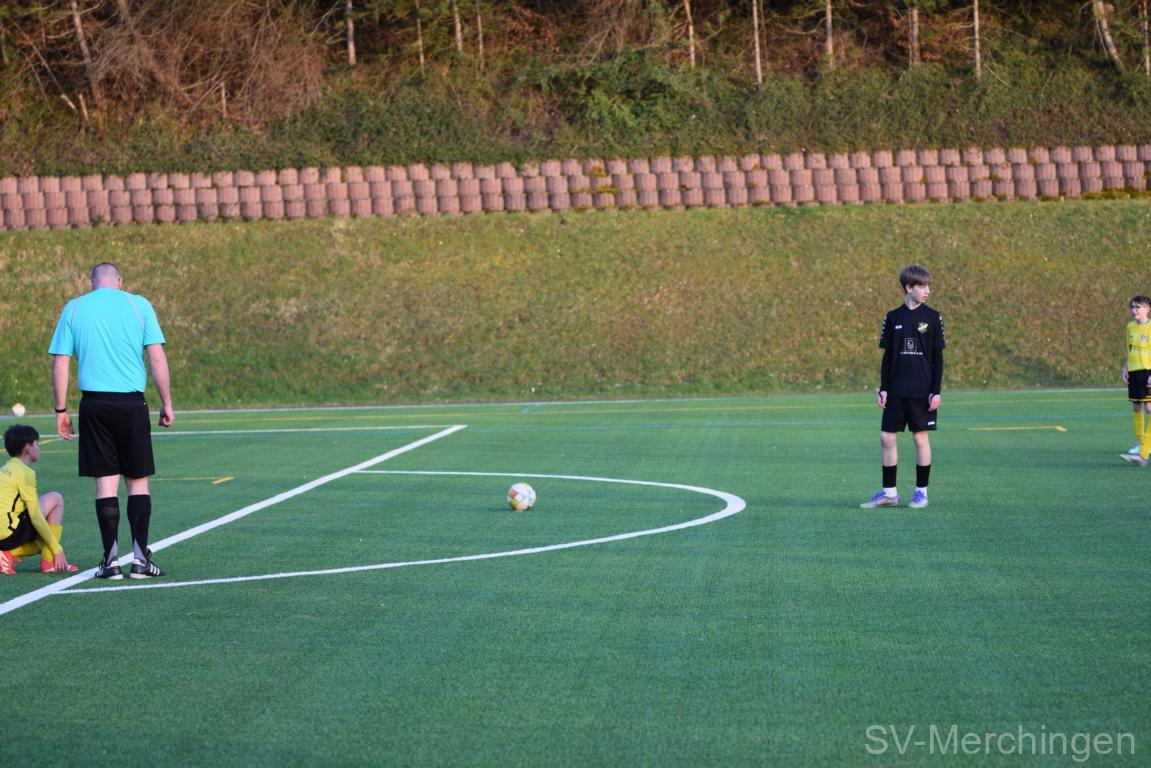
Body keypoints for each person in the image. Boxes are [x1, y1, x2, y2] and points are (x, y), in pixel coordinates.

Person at [49, 262, 174, 580]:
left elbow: (61, 362)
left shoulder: (74, 308)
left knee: (106, 483)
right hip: (131, 404)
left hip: (94, 405)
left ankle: (111, 562)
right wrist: (167, 403)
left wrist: (61, 410)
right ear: (119, 281)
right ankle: (141, 561)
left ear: (92, 283)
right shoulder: (139, 304)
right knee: (138, 482)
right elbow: (156, 356)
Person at [860, 264, 945, 510]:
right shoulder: (893, 317)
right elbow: (888, 357)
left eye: (928, 286)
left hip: (922, 390)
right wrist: (884, 388)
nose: (927, 291)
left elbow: (938, 358)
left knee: (920, 438)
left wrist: (936, 391)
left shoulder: (933, 317)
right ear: (908, 287)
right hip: (896, 389)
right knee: (886, 437)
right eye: (922, 286)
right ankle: (890, 494)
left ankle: (921, 493)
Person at [0, 424, 77, 575]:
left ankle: (9, 554)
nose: (39, 448)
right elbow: (36, 517)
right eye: (37, 444)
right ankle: (48, 561)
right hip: (7, 536)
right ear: (28, 448)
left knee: (46, 535)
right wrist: (58, 549)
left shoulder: (4, 469)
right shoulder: (25, 472)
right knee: (56, 499)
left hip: (5, 531)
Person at [1120, 295, 1151, 467]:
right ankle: (1141, 443)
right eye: (1132, 307)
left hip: (1148, 371)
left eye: (1138, 307)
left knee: (1150, 408)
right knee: (1137, 406)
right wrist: (1126, 366)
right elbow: (1129, 348)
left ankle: (1144, 451)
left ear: (1148, 309)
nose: (1134, 310)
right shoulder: (1130, 327)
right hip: (1135, 371)